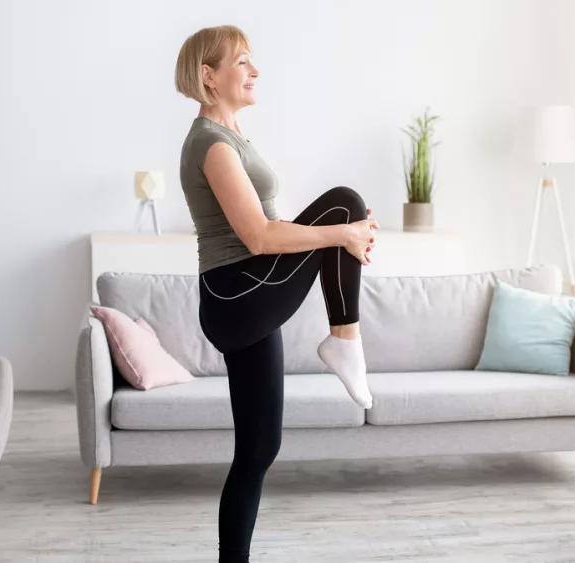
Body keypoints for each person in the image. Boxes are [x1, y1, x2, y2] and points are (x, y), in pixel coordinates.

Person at [175, 25, 378, 563]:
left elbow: (268, 225)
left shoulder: (231, 138)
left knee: (260, 448)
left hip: (246, 294)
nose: (255, 69)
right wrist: (341, 233)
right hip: (236, 293)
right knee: (344, 205)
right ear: (209, 76)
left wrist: (340, 237)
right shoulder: (211, 144)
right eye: (242, 61)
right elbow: (259, 238)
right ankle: (345, 339)